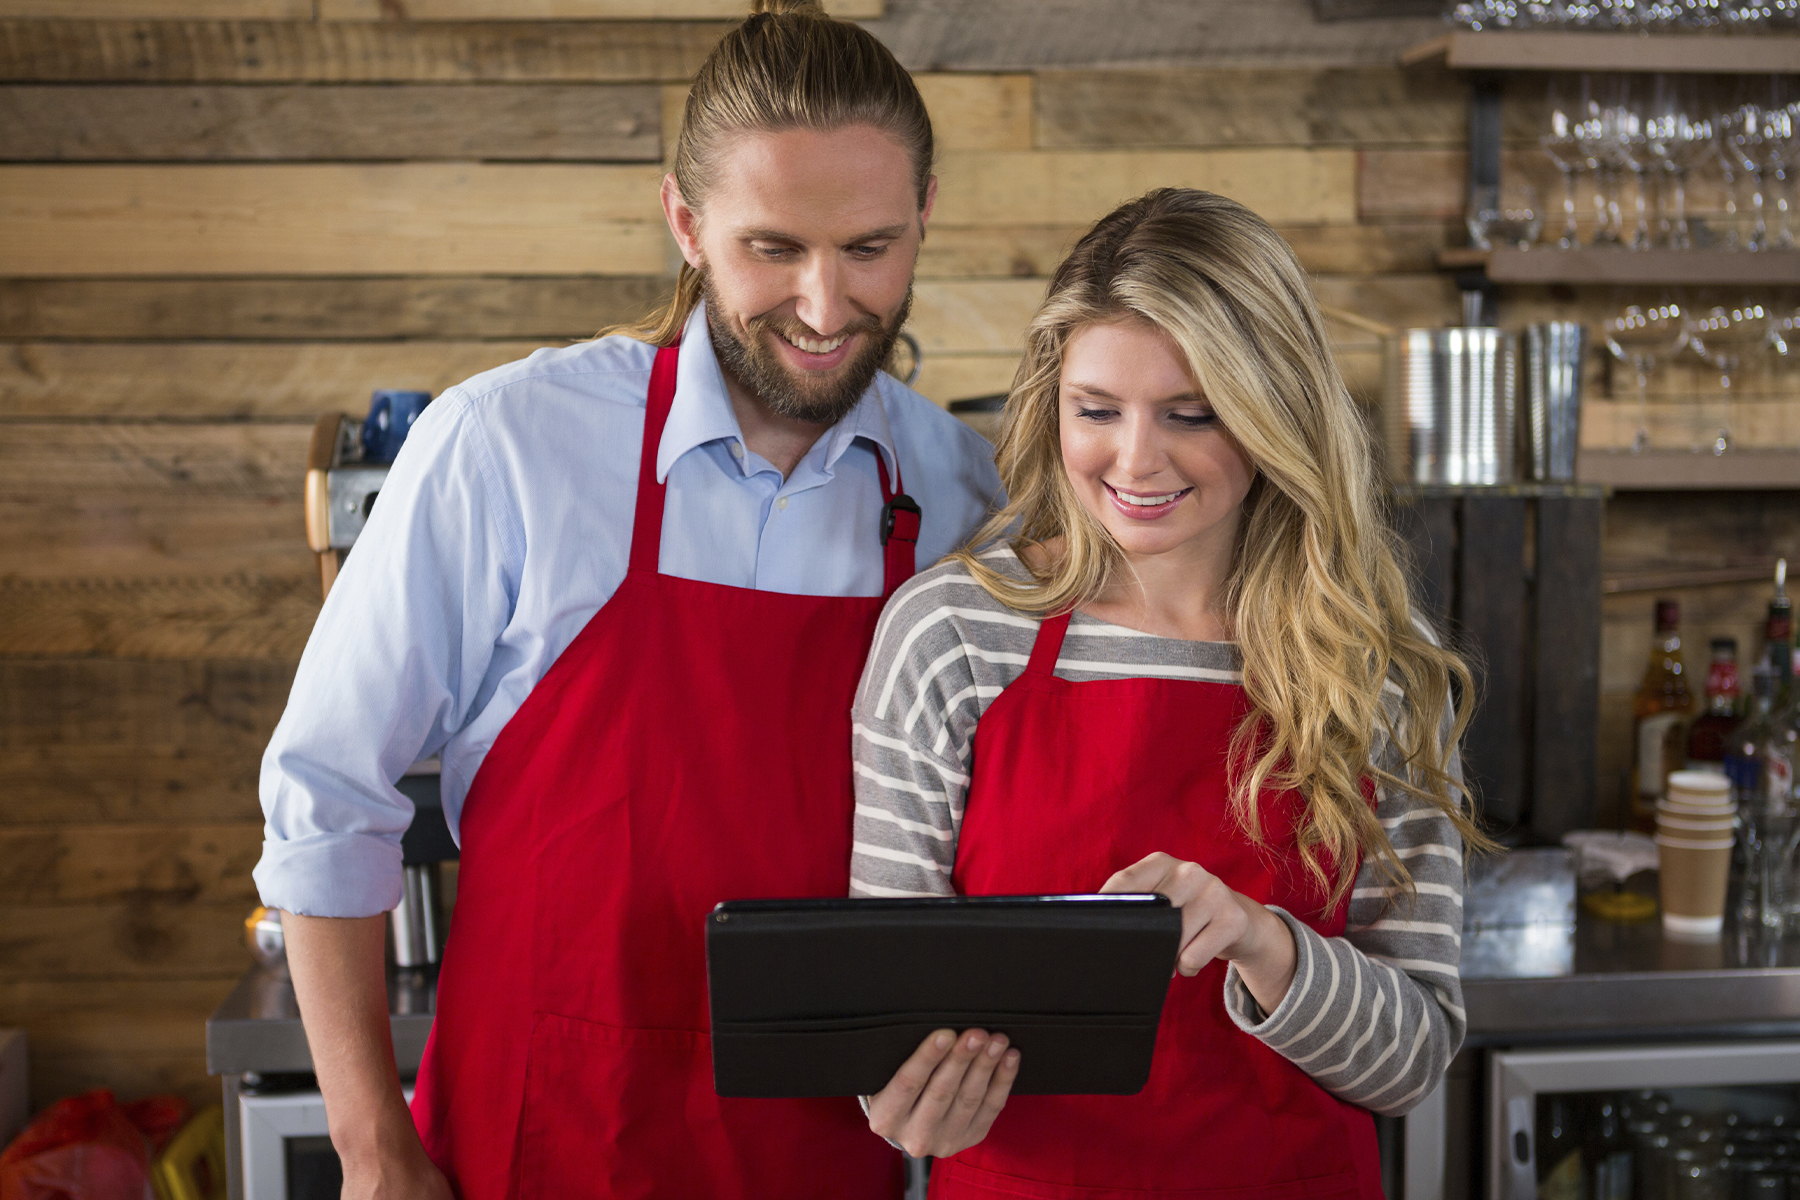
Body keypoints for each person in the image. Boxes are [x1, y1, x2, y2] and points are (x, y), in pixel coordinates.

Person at [251, 4, 1002, 1198]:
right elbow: (325, 799)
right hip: (536, 1134)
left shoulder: (961, 488)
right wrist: (373, 1151)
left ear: (924, 222)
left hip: (816, 1156)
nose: (822, 305)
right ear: (686, 223)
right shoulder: (508, 444)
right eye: (773, 248)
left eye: (869, 249)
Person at [849, 188, 1491, 1199]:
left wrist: (1259, 939)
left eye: (1191, 415)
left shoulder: (1372, 663)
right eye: (1096, 411)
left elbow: (1411, 1061)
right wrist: (897, 1097)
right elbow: (882, 1019)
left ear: (1277, 412)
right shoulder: (955, 635)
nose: (1135, 460)